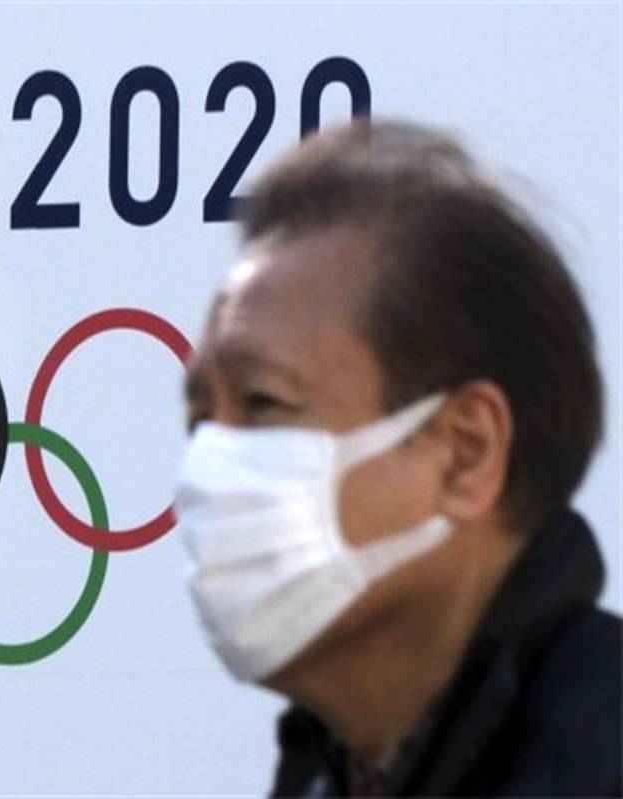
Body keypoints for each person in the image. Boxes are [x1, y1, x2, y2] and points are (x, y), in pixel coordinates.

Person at [173, 119, 621, 797]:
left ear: (465, 454)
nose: (212, 463)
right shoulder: (324, 773)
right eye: (201, 421)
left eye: (263, 401)